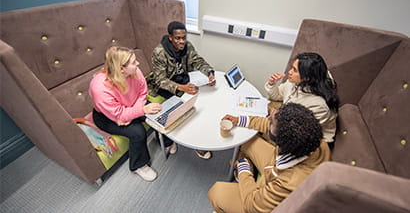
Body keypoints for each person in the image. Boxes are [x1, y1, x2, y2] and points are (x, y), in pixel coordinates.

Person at [208, 103, 331, 213]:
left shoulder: (288, 183)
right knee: (246, 140)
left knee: (217, 192)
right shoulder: (314, 139)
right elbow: (269, 125)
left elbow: (253, 205)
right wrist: (239, 120)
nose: (268, 119)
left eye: (271, 121)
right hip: (275, 167)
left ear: (282, 141)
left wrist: (244, 170)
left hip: (268, 194)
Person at [89, 46, 177, 182]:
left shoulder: (135, 71)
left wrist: (136, 111)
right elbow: (119, 114)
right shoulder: (99, 87)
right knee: (138, 132)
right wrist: (139, 112)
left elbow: (143, 92)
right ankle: (138, 165)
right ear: (121, 68)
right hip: (107, 116)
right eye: (133, 62)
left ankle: (166, 141)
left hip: (134, 103)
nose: (138, 64)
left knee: (156, 112)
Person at [147, 21, 215, 159]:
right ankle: (185, 143)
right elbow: (161, 81)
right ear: (170, 37)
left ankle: (198, 138)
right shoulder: (159, 52)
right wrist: (182, 88)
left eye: (184, 37)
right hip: (164, 86)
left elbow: (197, 61)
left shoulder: (187, 46)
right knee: (187, 107)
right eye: (178, 38)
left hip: (183, 79)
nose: (182, 41)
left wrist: (209, 73)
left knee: (202, 102)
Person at [265, 52, 339, 148]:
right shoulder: (296, 81)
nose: (289, 72)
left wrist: (274, 117)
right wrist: (272, 84)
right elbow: (279, 95)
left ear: (307, 77)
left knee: (251, 138)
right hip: (288, 122)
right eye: (292, 68)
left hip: (307, 142)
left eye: (294, 70)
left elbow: (296, 134)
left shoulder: (319, 106)